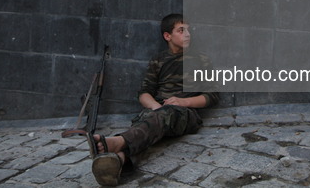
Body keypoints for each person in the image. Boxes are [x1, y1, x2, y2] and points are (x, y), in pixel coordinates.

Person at [90, 13, 219, 186]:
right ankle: (118, 160)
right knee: (148, 125)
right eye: (181, 30)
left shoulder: (201, 60)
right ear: (167, 36)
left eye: (189, 30)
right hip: (157, 111)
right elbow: (144, 93)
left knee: (159, 119)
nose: (188, 34)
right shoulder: (158, 60)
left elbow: (212, 95)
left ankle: (118, 141)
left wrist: (183, 102)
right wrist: (156, 107)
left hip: (185, 114)